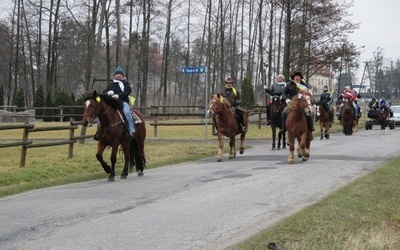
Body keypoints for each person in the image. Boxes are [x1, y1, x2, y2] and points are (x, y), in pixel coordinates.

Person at [94, 66, 135, 141]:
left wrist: (118, 95)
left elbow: (127, 91)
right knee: (100, 114)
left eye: (120, 74)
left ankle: (131, 130)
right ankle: (99, 131)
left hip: (122, 102)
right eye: (117, 74)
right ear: (115, 75)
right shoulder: (111, 84)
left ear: (122, 76)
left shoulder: (125, 83)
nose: (119, 75)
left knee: (127, 112)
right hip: (112, 103)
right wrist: (108, 93)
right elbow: (104, 92)